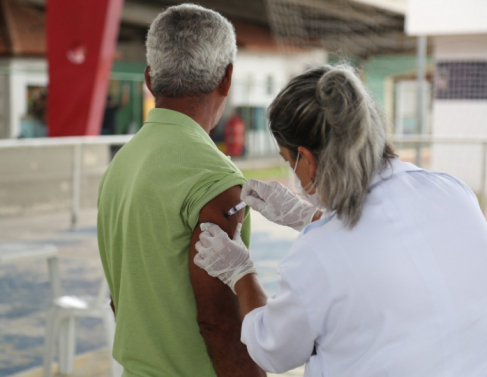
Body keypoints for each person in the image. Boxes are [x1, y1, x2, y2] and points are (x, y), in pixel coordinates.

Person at [194, 65, 487, 376]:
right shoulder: (452, 192)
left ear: (307, 160)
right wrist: (308, 216)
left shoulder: (317, 252)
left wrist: (240, 273)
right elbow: (387, 235)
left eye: (287, 160)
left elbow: (273, 349)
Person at [97, 4, 265, 376]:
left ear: (150, 80)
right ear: (227, 79)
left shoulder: (122, 164)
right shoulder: (215, 178)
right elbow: (218, 324)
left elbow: (120, 297)